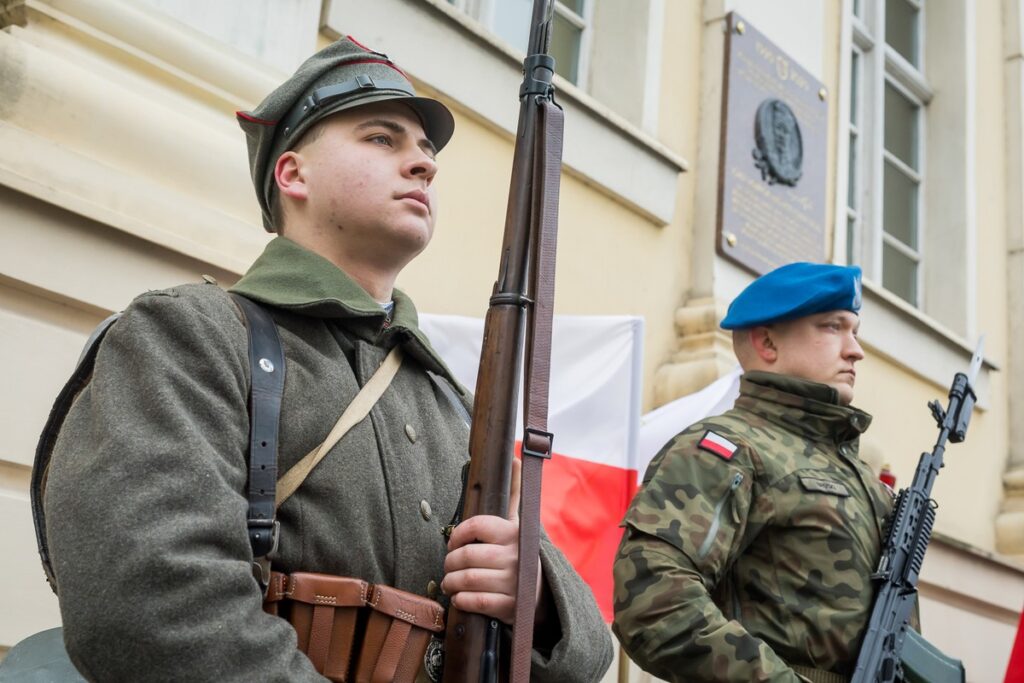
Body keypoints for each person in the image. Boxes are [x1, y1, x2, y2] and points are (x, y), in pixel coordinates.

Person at [43, 36, 612, 681]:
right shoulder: (190, 334)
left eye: (426, 152)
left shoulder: (452, 405)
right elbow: (150, 605)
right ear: (293, 174)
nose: (423, 166)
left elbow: (589, 658)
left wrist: (535, 601)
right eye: (381, 139)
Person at [613, 262, 895, 683]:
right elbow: (653, 601)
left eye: (854, 331)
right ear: (767, 343)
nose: (855, 350)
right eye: (833, 327)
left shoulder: (857, 473)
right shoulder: (726, 450)